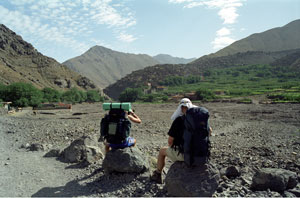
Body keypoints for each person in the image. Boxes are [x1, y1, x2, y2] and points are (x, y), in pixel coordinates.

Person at [150, 98, 212, 183]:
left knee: (162, 151)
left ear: (181, 108)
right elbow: (210, 131)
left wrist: (173, 148)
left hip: (186, 155)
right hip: (202, 154)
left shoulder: (179, 120)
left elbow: (170, 141)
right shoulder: (200, 121)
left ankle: (158, 174)